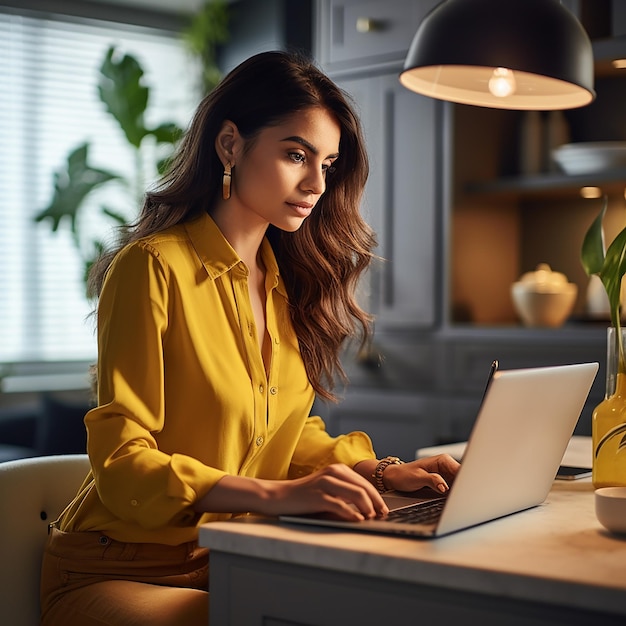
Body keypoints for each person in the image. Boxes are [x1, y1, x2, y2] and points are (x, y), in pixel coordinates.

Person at [40, 50, 460, 626]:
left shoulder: (283, 282)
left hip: (232, 558)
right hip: (120, 569)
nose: (316, 183)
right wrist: (277, 497)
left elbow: (286, 435)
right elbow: (121, 460)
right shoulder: (151, 267)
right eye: (296, 154)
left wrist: (384, 473)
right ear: (230, 144)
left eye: (328, 164)